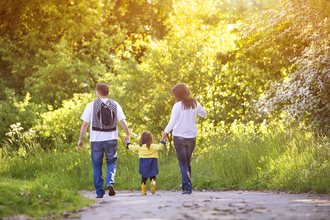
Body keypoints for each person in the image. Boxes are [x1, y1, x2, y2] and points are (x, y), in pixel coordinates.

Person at [77, 83, 130, 198]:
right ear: (108, 93)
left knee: (97, 165)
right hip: (111, 139)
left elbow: (85, 123)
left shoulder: (91, 105)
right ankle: (109, 182)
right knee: (111, 162)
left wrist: (80, 139)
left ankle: (100, 192)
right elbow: (122, 121)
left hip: (96, 140)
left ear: (97, 92)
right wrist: (127, 134)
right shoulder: (115, 104)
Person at [162, 83, 207, 195]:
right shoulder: (194, 103)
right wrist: (196, 111)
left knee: (183, 163)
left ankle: (187, 187)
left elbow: (172, 122)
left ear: (178, 95)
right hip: (191, 137)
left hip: (179, 137)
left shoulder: (177, 106)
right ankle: (185, 184)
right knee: (187, 162)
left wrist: (165, 132)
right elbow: (204, 114)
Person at [126, 131, 166, 195]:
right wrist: (163, 141)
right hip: (152, 163)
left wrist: (128, 143)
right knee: (153, 176)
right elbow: (159, 147)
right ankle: (152, 183)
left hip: (143, 164)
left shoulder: (139, 146)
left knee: (144, 177)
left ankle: (143, 191)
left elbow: (132, 147)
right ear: (150, 138)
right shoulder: (152, 146)